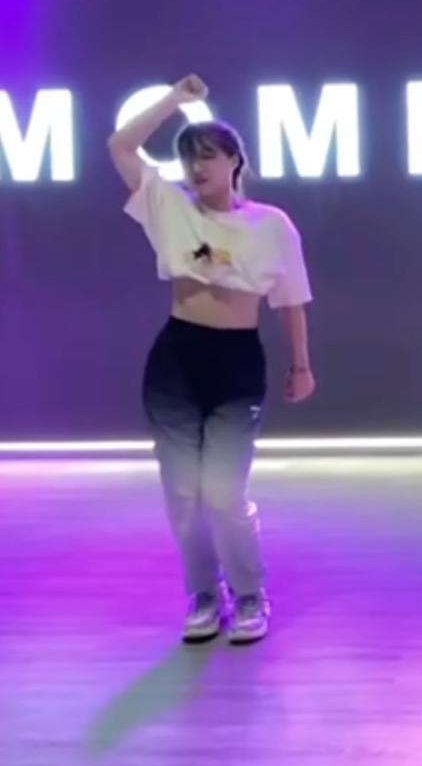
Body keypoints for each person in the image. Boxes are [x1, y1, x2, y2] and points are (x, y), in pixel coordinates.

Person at [107, 74, 315, 645]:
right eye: (188, 158)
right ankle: (203, 594)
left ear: (233, 161)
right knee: (183, 493)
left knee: (222, 492)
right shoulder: (169, 205)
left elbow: (291, 300)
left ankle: (250, 594)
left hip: (236, 364)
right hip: (177, 360)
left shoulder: (270, 225)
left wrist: (301, 365)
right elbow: (121, 146)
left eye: (207, 156)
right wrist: (175, 100)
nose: (196, 168)